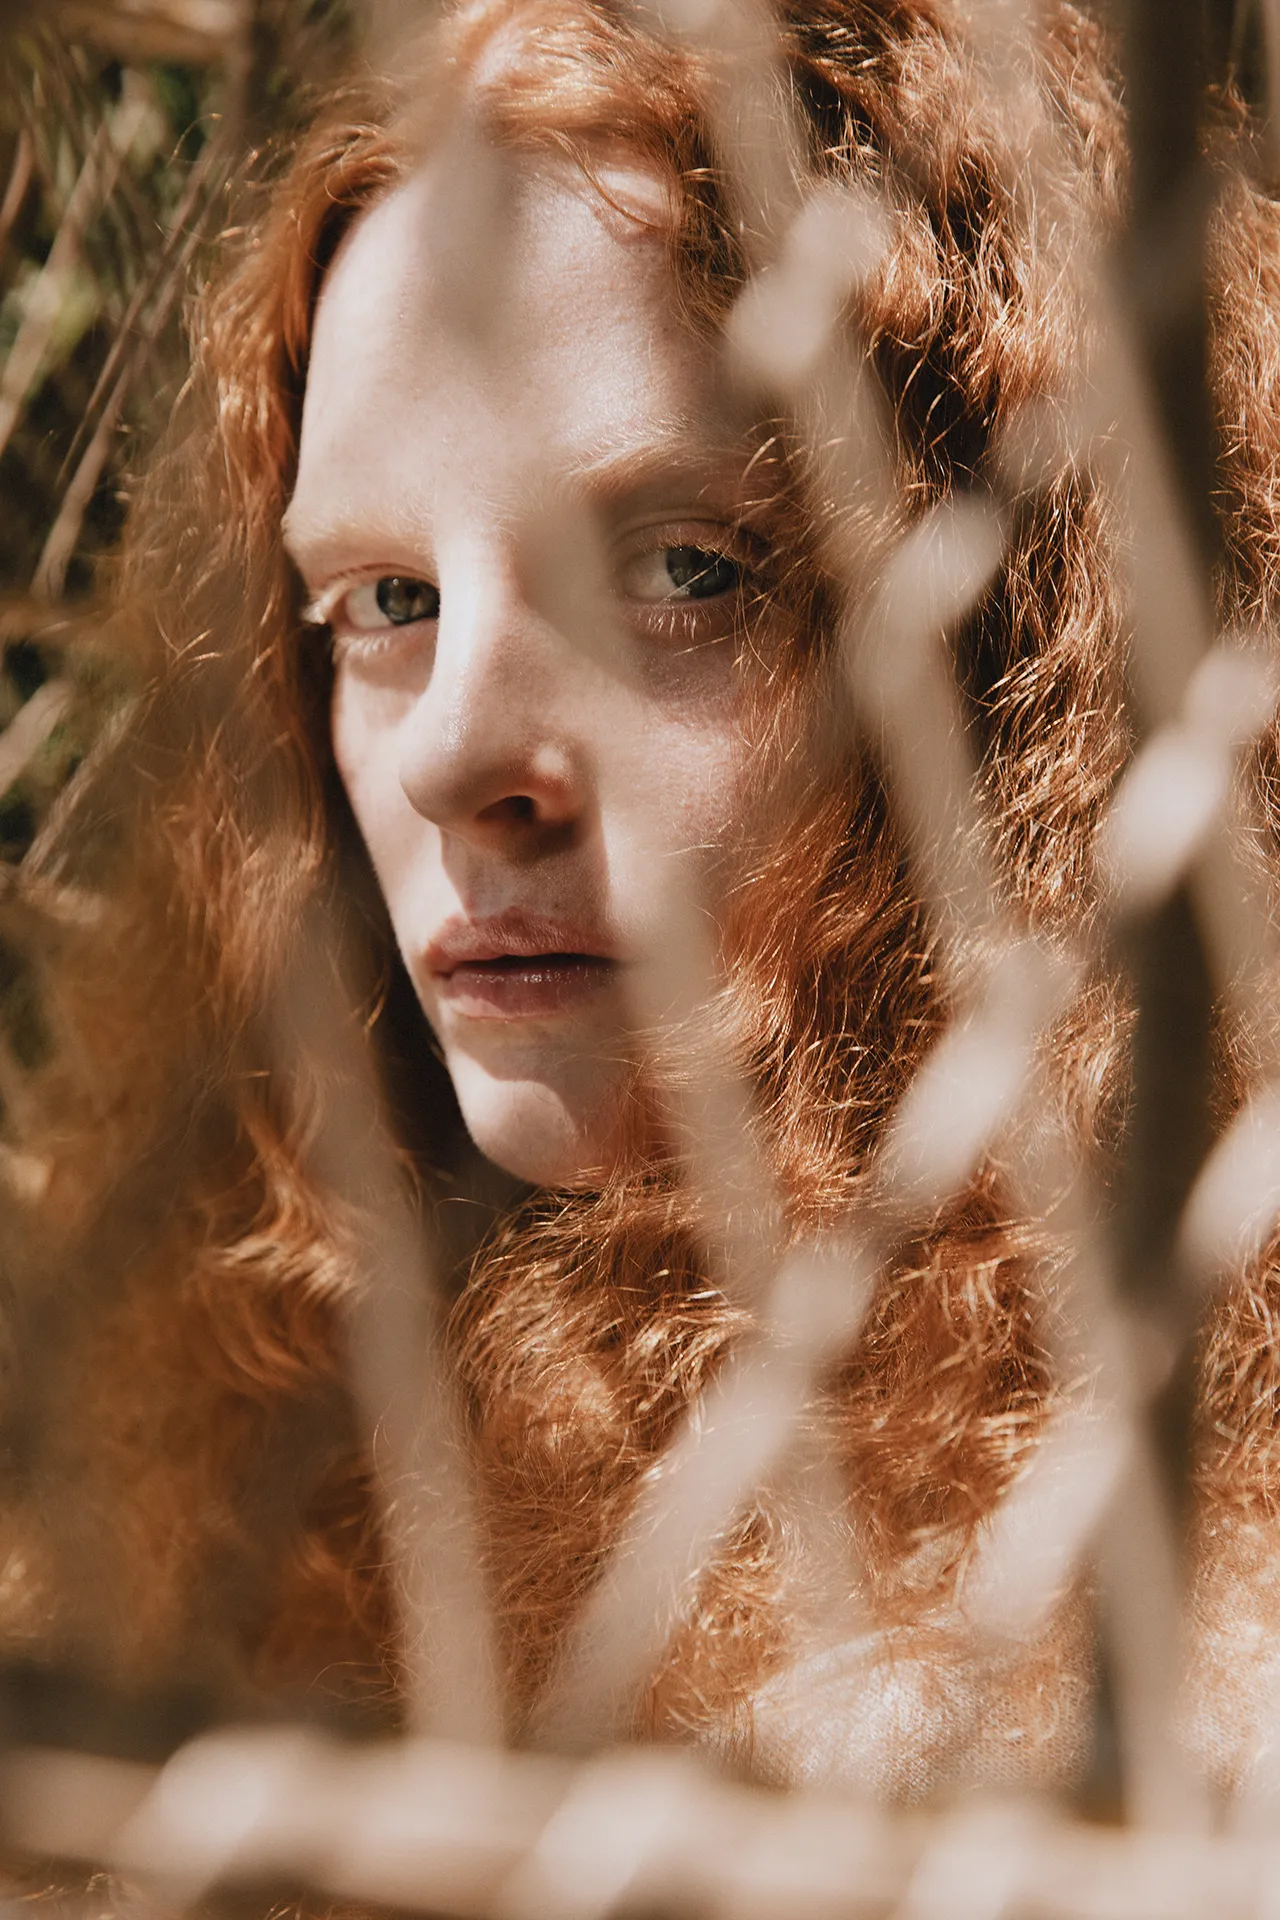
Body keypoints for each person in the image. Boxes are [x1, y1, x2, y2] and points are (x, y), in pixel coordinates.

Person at [8, 0, 1280, 1805]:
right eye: (382, 601)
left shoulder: (1180, 1684)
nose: (455, 754)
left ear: (1021, 660)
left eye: (686, 571)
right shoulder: (239, 1477)